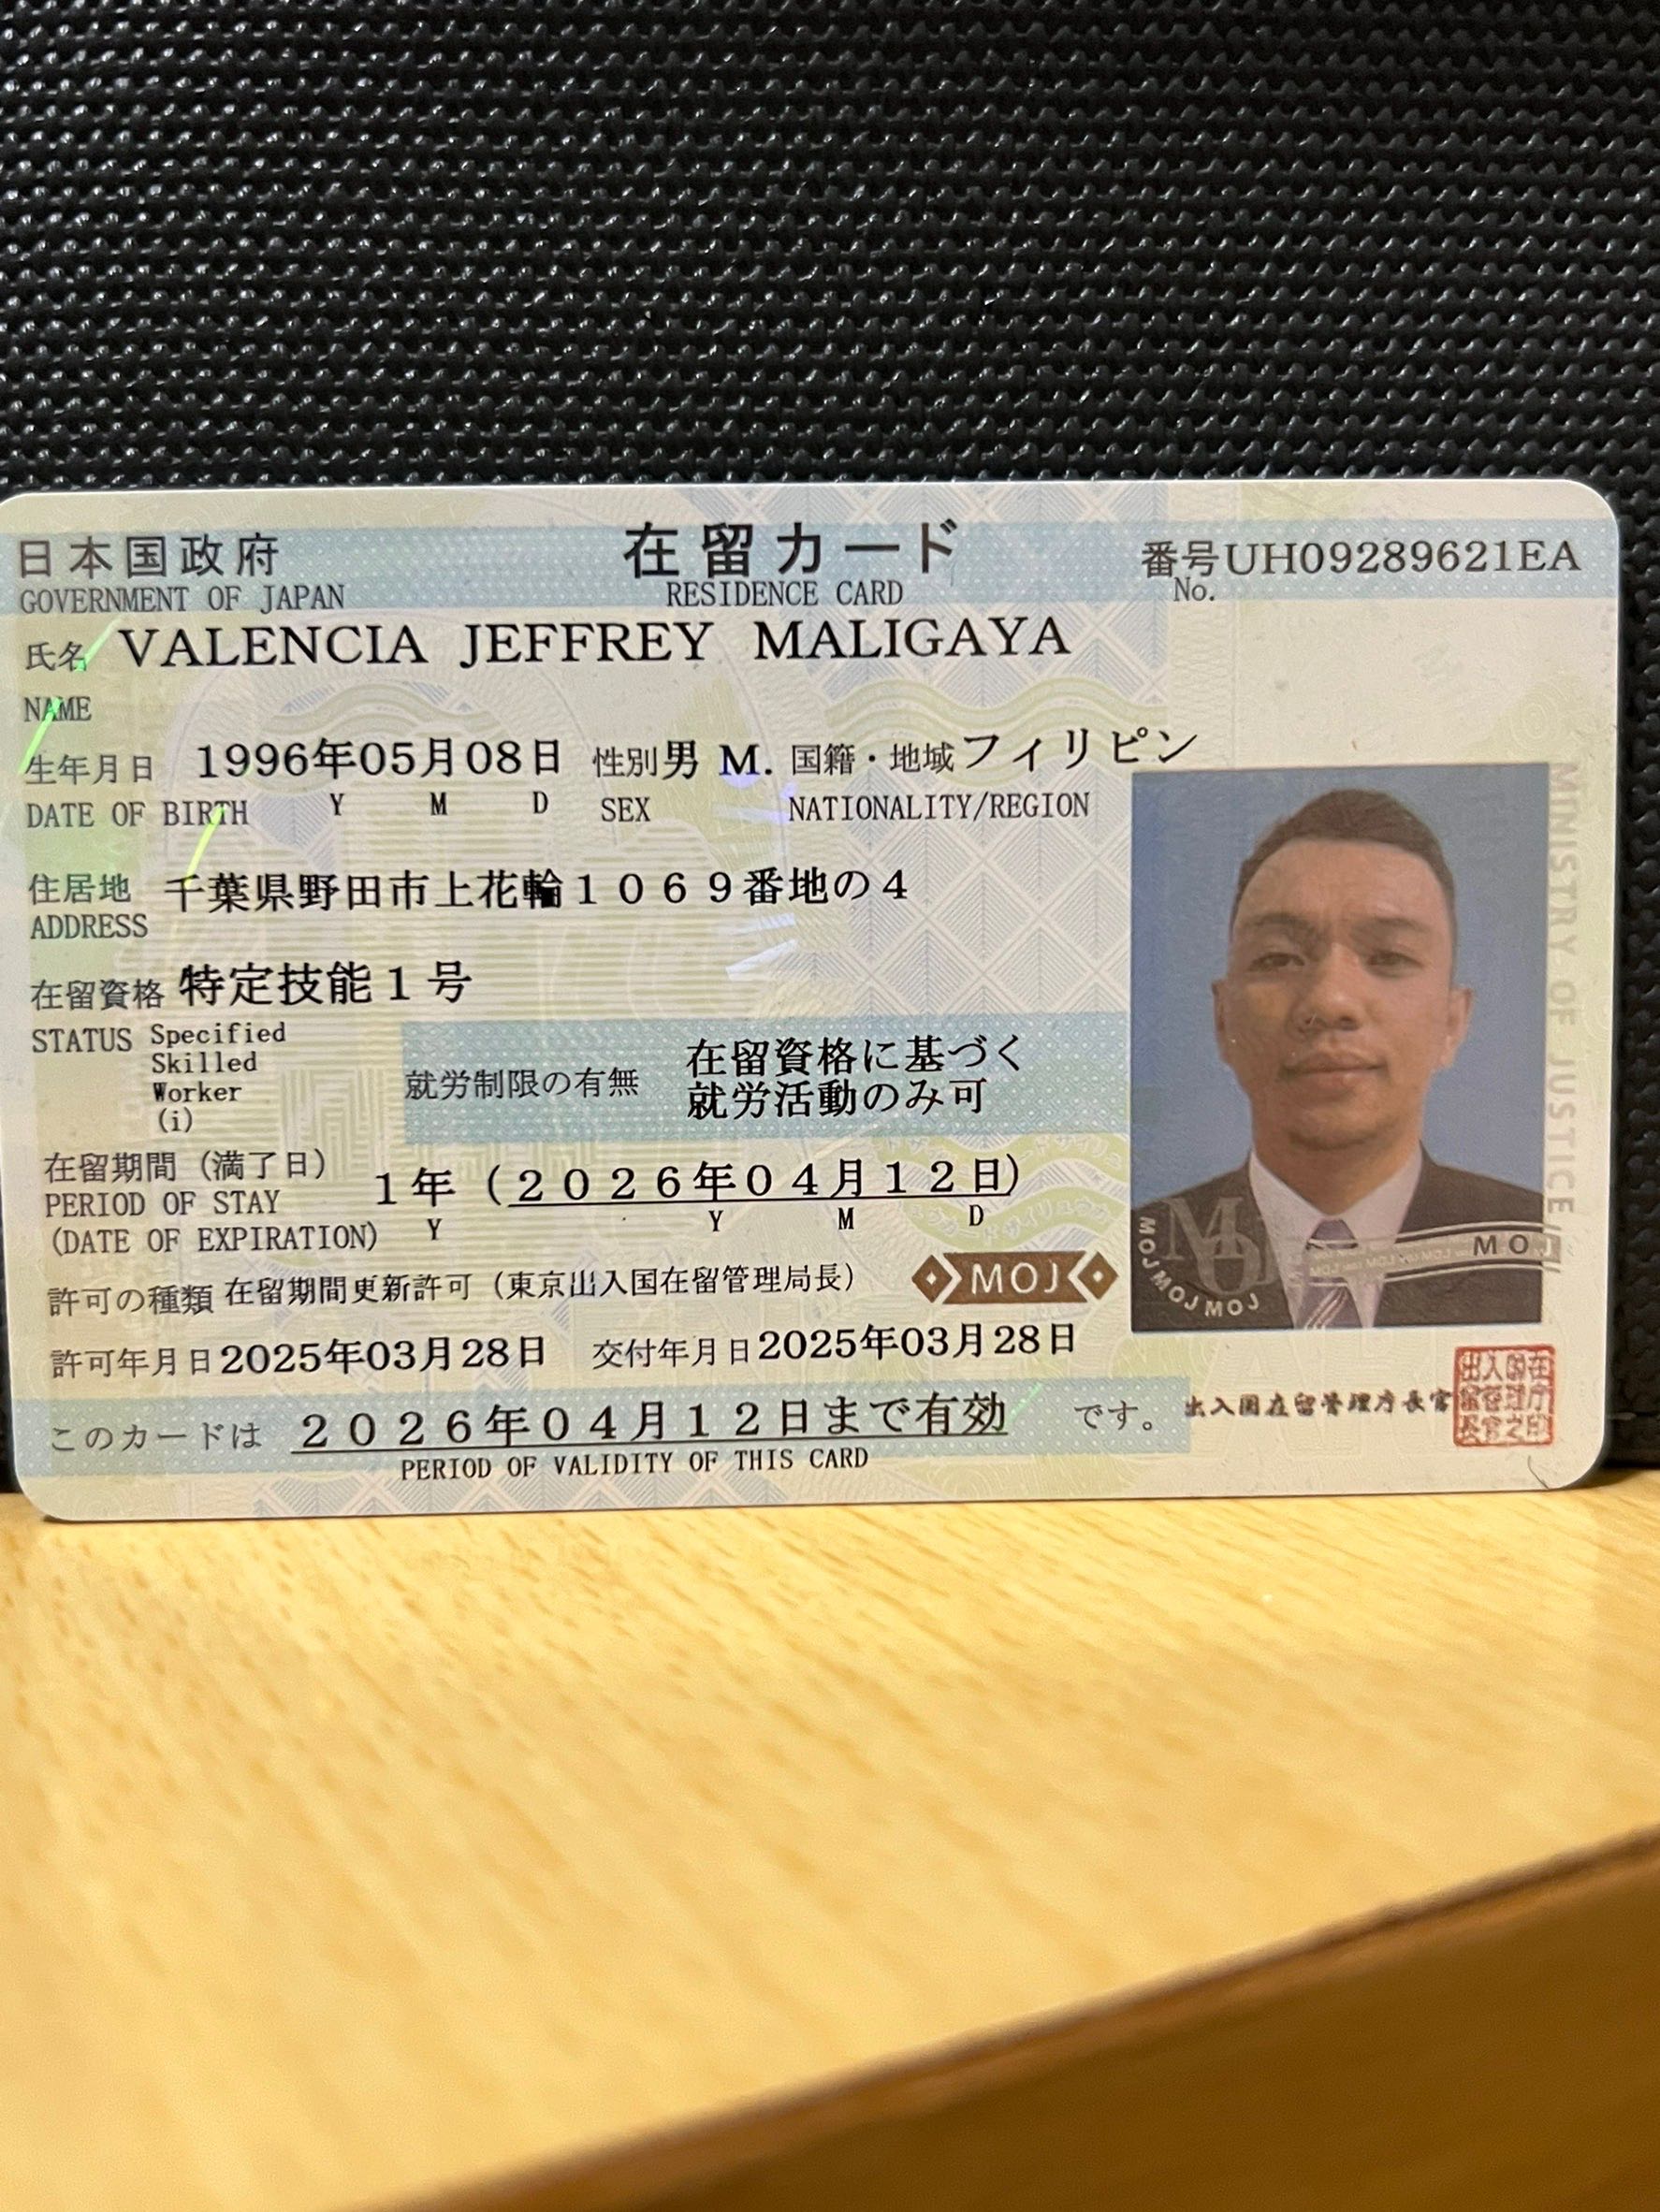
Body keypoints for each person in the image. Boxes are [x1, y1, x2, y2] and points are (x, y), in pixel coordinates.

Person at [1132, 787, 1544, 1331]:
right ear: (1223, 1018)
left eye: (1389, 956)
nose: (1330, 1001)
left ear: (1452, 1021)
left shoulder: (1541, 1253)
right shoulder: (1128, 1266)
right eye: (1280, 958)